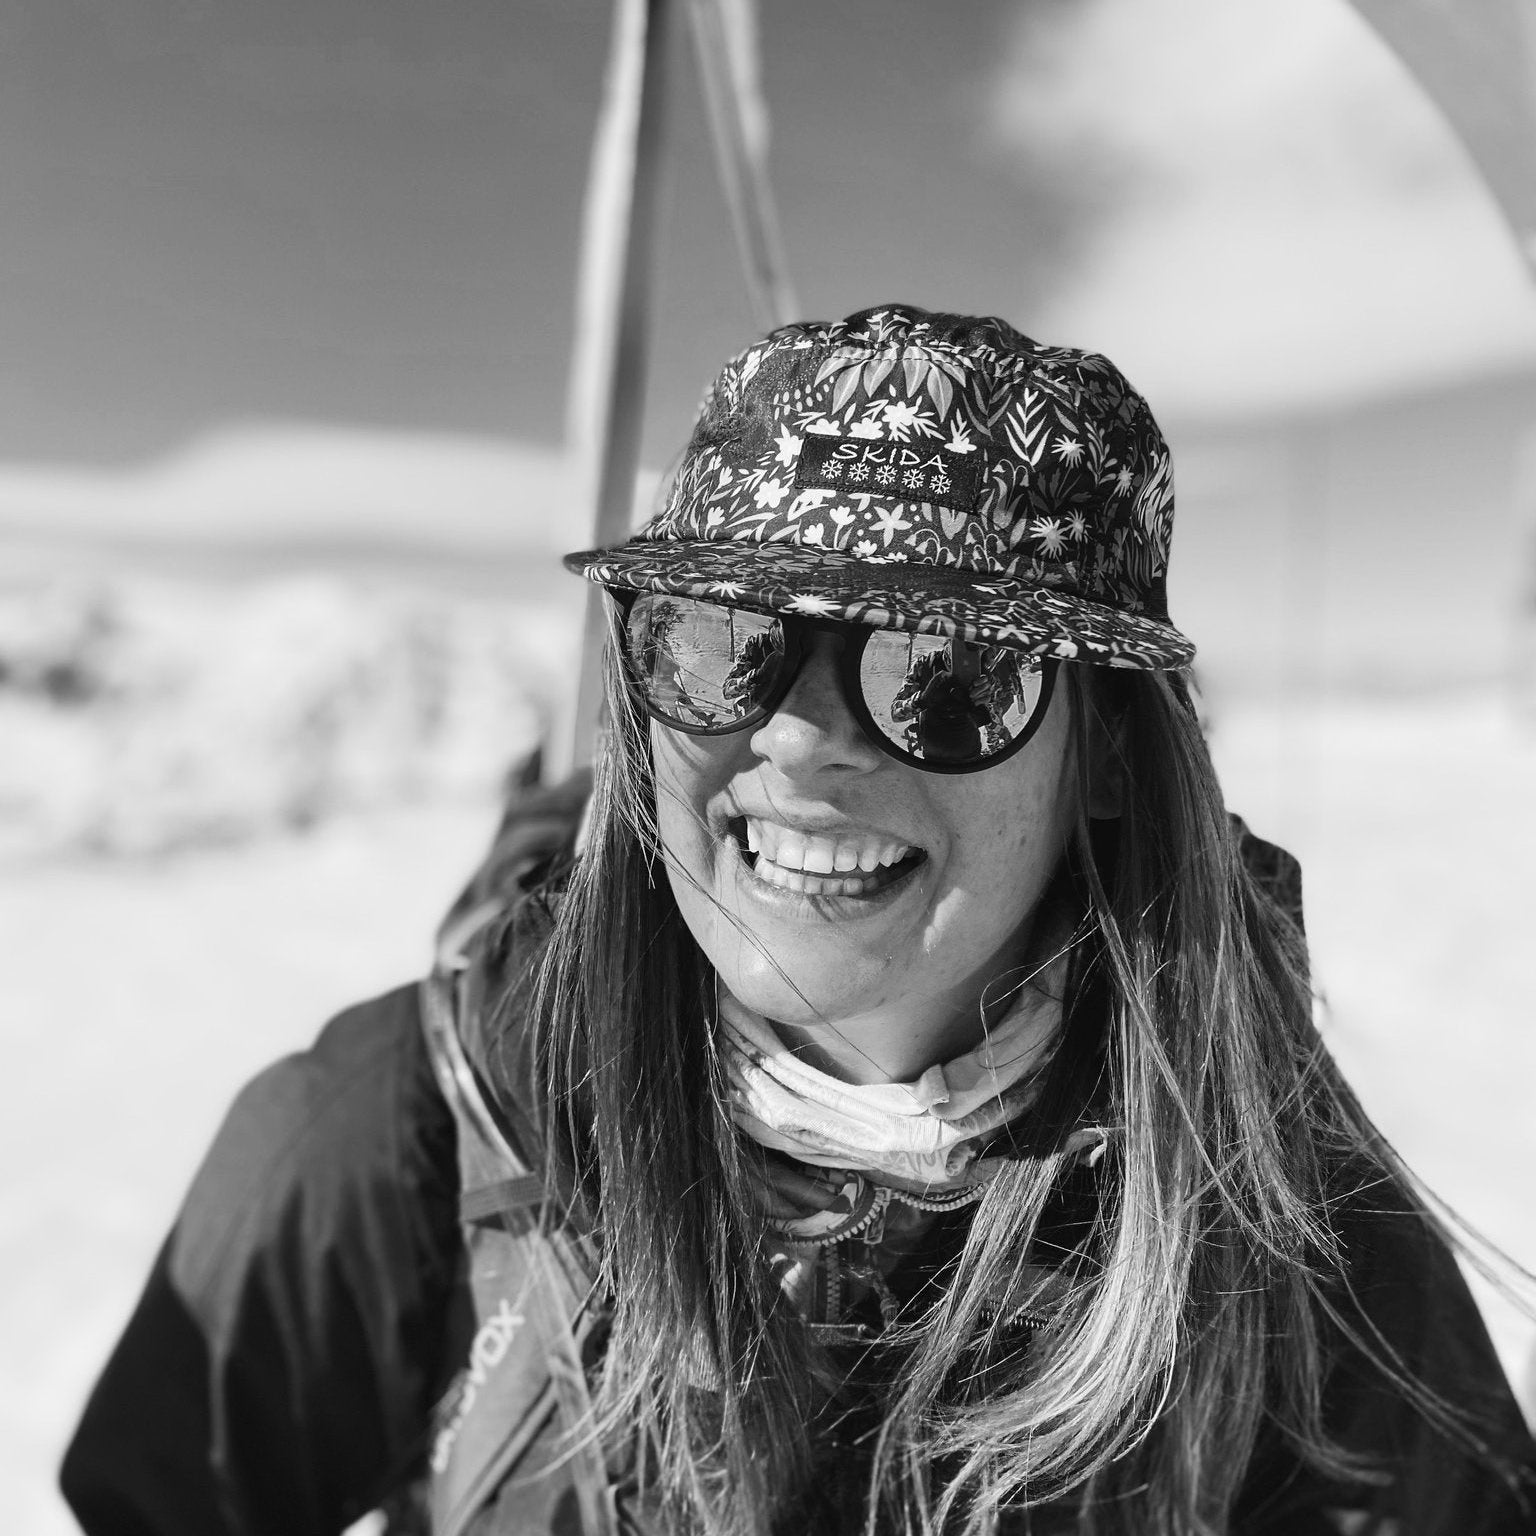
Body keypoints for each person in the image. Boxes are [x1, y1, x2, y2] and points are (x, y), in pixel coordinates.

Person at [61, 305, 1536, 1535]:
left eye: (948, 671)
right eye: (725, 646)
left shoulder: (1271, 1210)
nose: (803, 743)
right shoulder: (412, 1132)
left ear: (1104, 759)